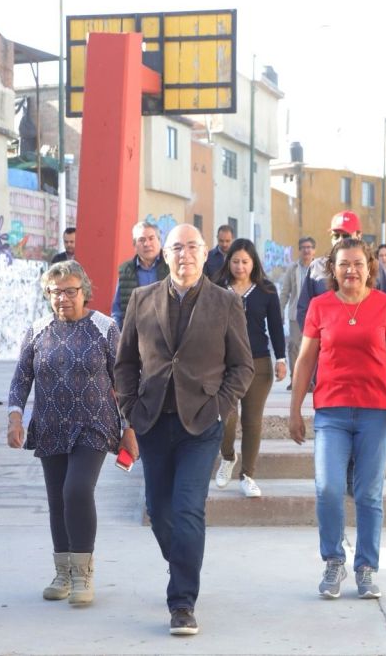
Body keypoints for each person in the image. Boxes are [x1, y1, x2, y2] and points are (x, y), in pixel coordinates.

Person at [114, 224, 253, 636]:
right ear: (165, 254)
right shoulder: (141, 299)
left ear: (205, 253)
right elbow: (124, 363)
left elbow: (242, 366)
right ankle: (183, 563)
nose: (184, 254)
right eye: (177, 247)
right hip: (153, 421)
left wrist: (219, 408)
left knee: (188, 508)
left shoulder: (225, 302)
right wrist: (129, 406)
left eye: (192, 247)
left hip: (202, 423)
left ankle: (182, 602)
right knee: (158, 510)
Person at [288, 238, 386, 600]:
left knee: (368, 493)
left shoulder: (385, 305)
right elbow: (305, 361)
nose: (351, 270)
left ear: (370, 267)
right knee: (328, 488)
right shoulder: (319, 306)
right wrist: (296, 409)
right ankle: (333, 561)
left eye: (358, 263)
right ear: (333, 268)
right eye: (344, 263)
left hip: (377, 412)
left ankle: (366, 568)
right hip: (332, 411)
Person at [6, 260, 135, 606]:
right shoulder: (37, 331)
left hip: (94, 424)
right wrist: (14, 418)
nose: (63, 298)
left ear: (85, 292)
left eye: (70, 291)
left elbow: (123, 381)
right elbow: (20, 380)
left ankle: (83, 574)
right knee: (56, 499)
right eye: (55, 291)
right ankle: (62, 572)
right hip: (50, 426)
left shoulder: (105, 328)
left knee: (76, 490)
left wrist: (130, 427)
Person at [213, 238, 287, 497]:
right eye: (235, 261)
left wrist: (281, 358)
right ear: (228, 262)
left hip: (258, 363)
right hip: (225, 364)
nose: (240, 267)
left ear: (253, 263)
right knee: (226, 417)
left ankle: (248, 475)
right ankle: (228, 457)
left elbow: (276, 326)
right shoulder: (217, 288)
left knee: (252, 421)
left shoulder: (266, 290)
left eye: (245, 262)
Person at [296, 212, 386, 327]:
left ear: (359, 236)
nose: (340, 240)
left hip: (366, 341)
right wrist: (316, 339)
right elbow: (304, 310)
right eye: (336, 236)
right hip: (327, 342)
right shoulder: (316, 268)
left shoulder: (375, 267)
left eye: (346, 235)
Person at [110, 221, 169, 331]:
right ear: (134, 244)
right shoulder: (126, 271)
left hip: (166, 333)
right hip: (135, 334)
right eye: (141, 240)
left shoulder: (171, 267)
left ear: (159, 241)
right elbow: (117, 310)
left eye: (151, 238)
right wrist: (119, 335)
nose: (147, 244)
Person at [279, 236, 316, 390]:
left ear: (314, 250)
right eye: (303, 247)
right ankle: (296, 379)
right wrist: (280, 311)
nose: (306, 250)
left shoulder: (320, 267)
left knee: (314, 348)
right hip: (296, 314)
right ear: (299, 250)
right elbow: (285, 292)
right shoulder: (292, 269)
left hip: (315, 314)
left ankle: (312, 381)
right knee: (294, 345)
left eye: (309, 247)